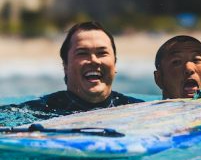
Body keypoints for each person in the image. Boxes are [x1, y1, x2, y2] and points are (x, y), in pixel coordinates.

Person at [10, 21, 142, 119]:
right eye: (82, 53)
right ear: (65, 66)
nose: (94, 60)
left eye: (102, 53)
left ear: (115, 64)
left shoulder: (138, 110)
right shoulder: (37, 111)